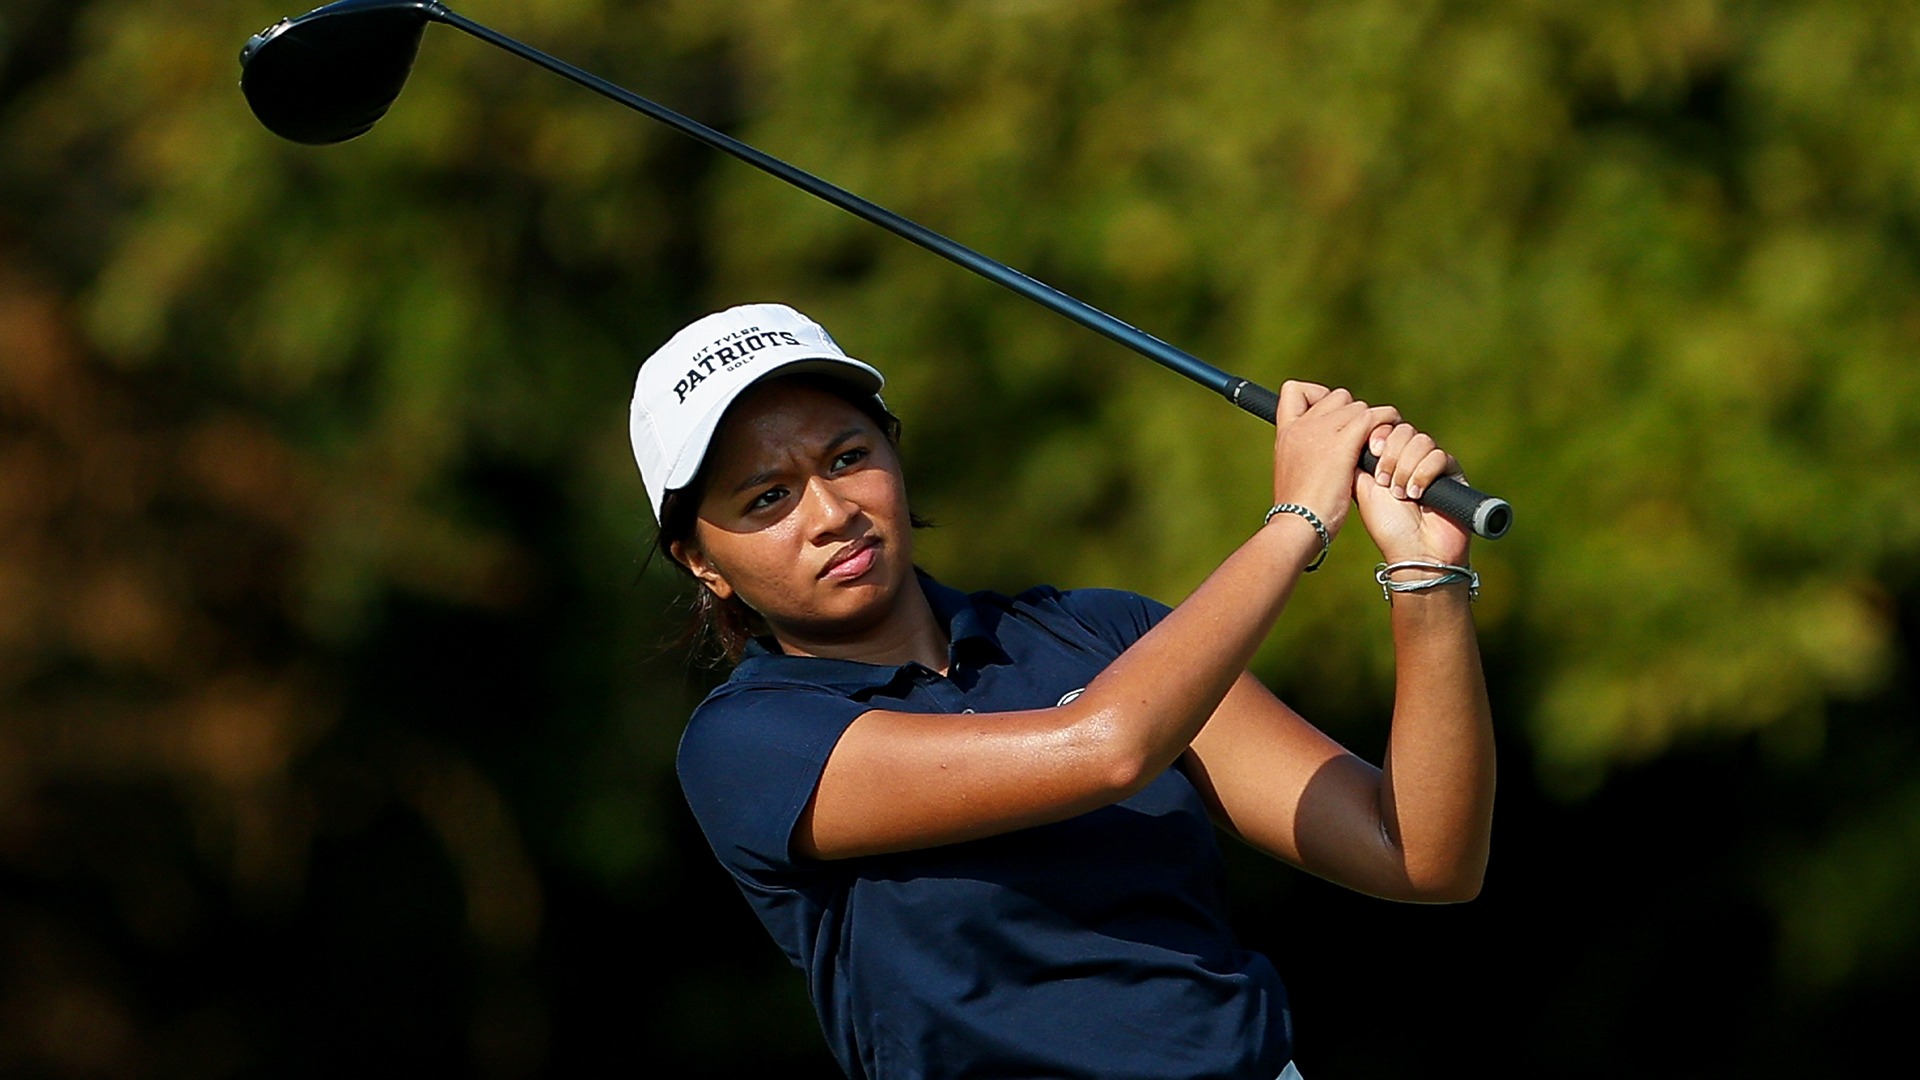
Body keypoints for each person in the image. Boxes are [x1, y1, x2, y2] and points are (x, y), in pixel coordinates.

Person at [631, 302, 1494, 1080]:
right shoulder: (750, 742)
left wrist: (1427, 578)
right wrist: (1298, 519)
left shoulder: (1102, 635)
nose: (829, 512)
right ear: (702, 561)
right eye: (767, 497)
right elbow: (1109, 748)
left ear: (895, 452)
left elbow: (1419, 856)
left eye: (848, 457)